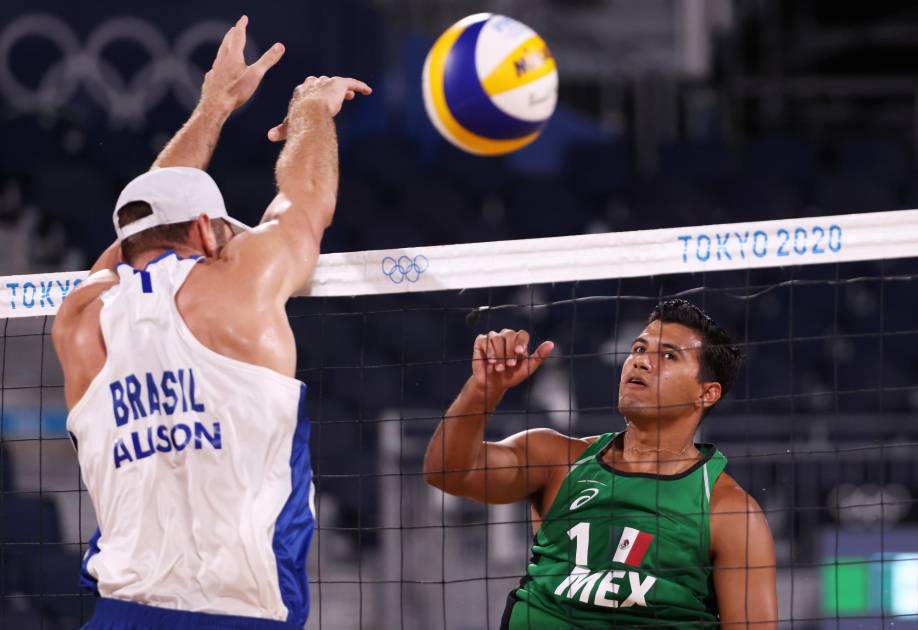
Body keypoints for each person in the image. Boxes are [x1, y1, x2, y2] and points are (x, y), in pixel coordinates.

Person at [51, 16, 370, 629]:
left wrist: (213, 108)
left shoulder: (79, 320)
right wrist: (311, 108)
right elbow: (307, 199)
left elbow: (137, 225)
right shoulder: (240, 282)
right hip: (241, 611)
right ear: (204, 228)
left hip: (119, 613)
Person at [424, 299, 778, 629]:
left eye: (669, 356)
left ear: (706, 393)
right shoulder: (558, 459)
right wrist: (483, 388)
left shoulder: (729, 511)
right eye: (639, 349)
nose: (641, 361)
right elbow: (447, 472)